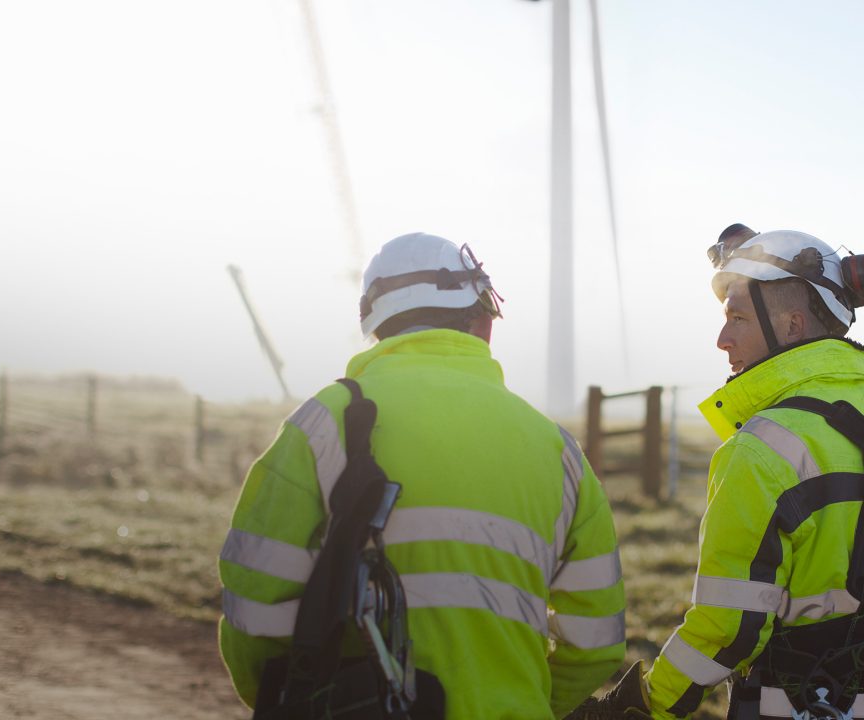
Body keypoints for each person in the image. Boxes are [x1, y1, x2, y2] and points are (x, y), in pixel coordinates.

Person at [570, 229, 864, 720]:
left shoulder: (760, 449)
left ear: (791, 326)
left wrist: (639, 704)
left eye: (737, 318)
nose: (722, 339)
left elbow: (728, 626)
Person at [218, 232, 627, 719]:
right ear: (483, 323)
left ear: (375, 327)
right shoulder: (557, 450)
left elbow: (255, 611)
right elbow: (597, 641)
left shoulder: (320, 426)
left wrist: (295, 699)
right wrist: (530, 704)